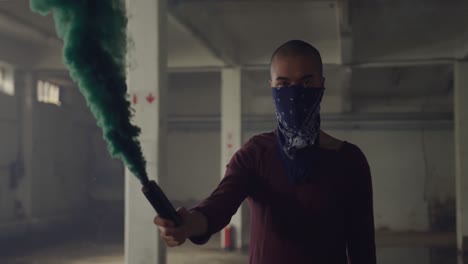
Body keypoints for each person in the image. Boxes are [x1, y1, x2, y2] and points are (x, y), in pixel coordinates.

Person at [154, 40, 377, 264]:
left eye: (306, 82)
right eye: (283, 84)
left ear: (322, 84)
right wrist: (188, 224)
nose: (294, 92)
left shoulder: (349, 160)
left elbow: (362, 245)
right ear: (272, 87)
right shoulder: (255, 154)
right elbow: (220, 204)